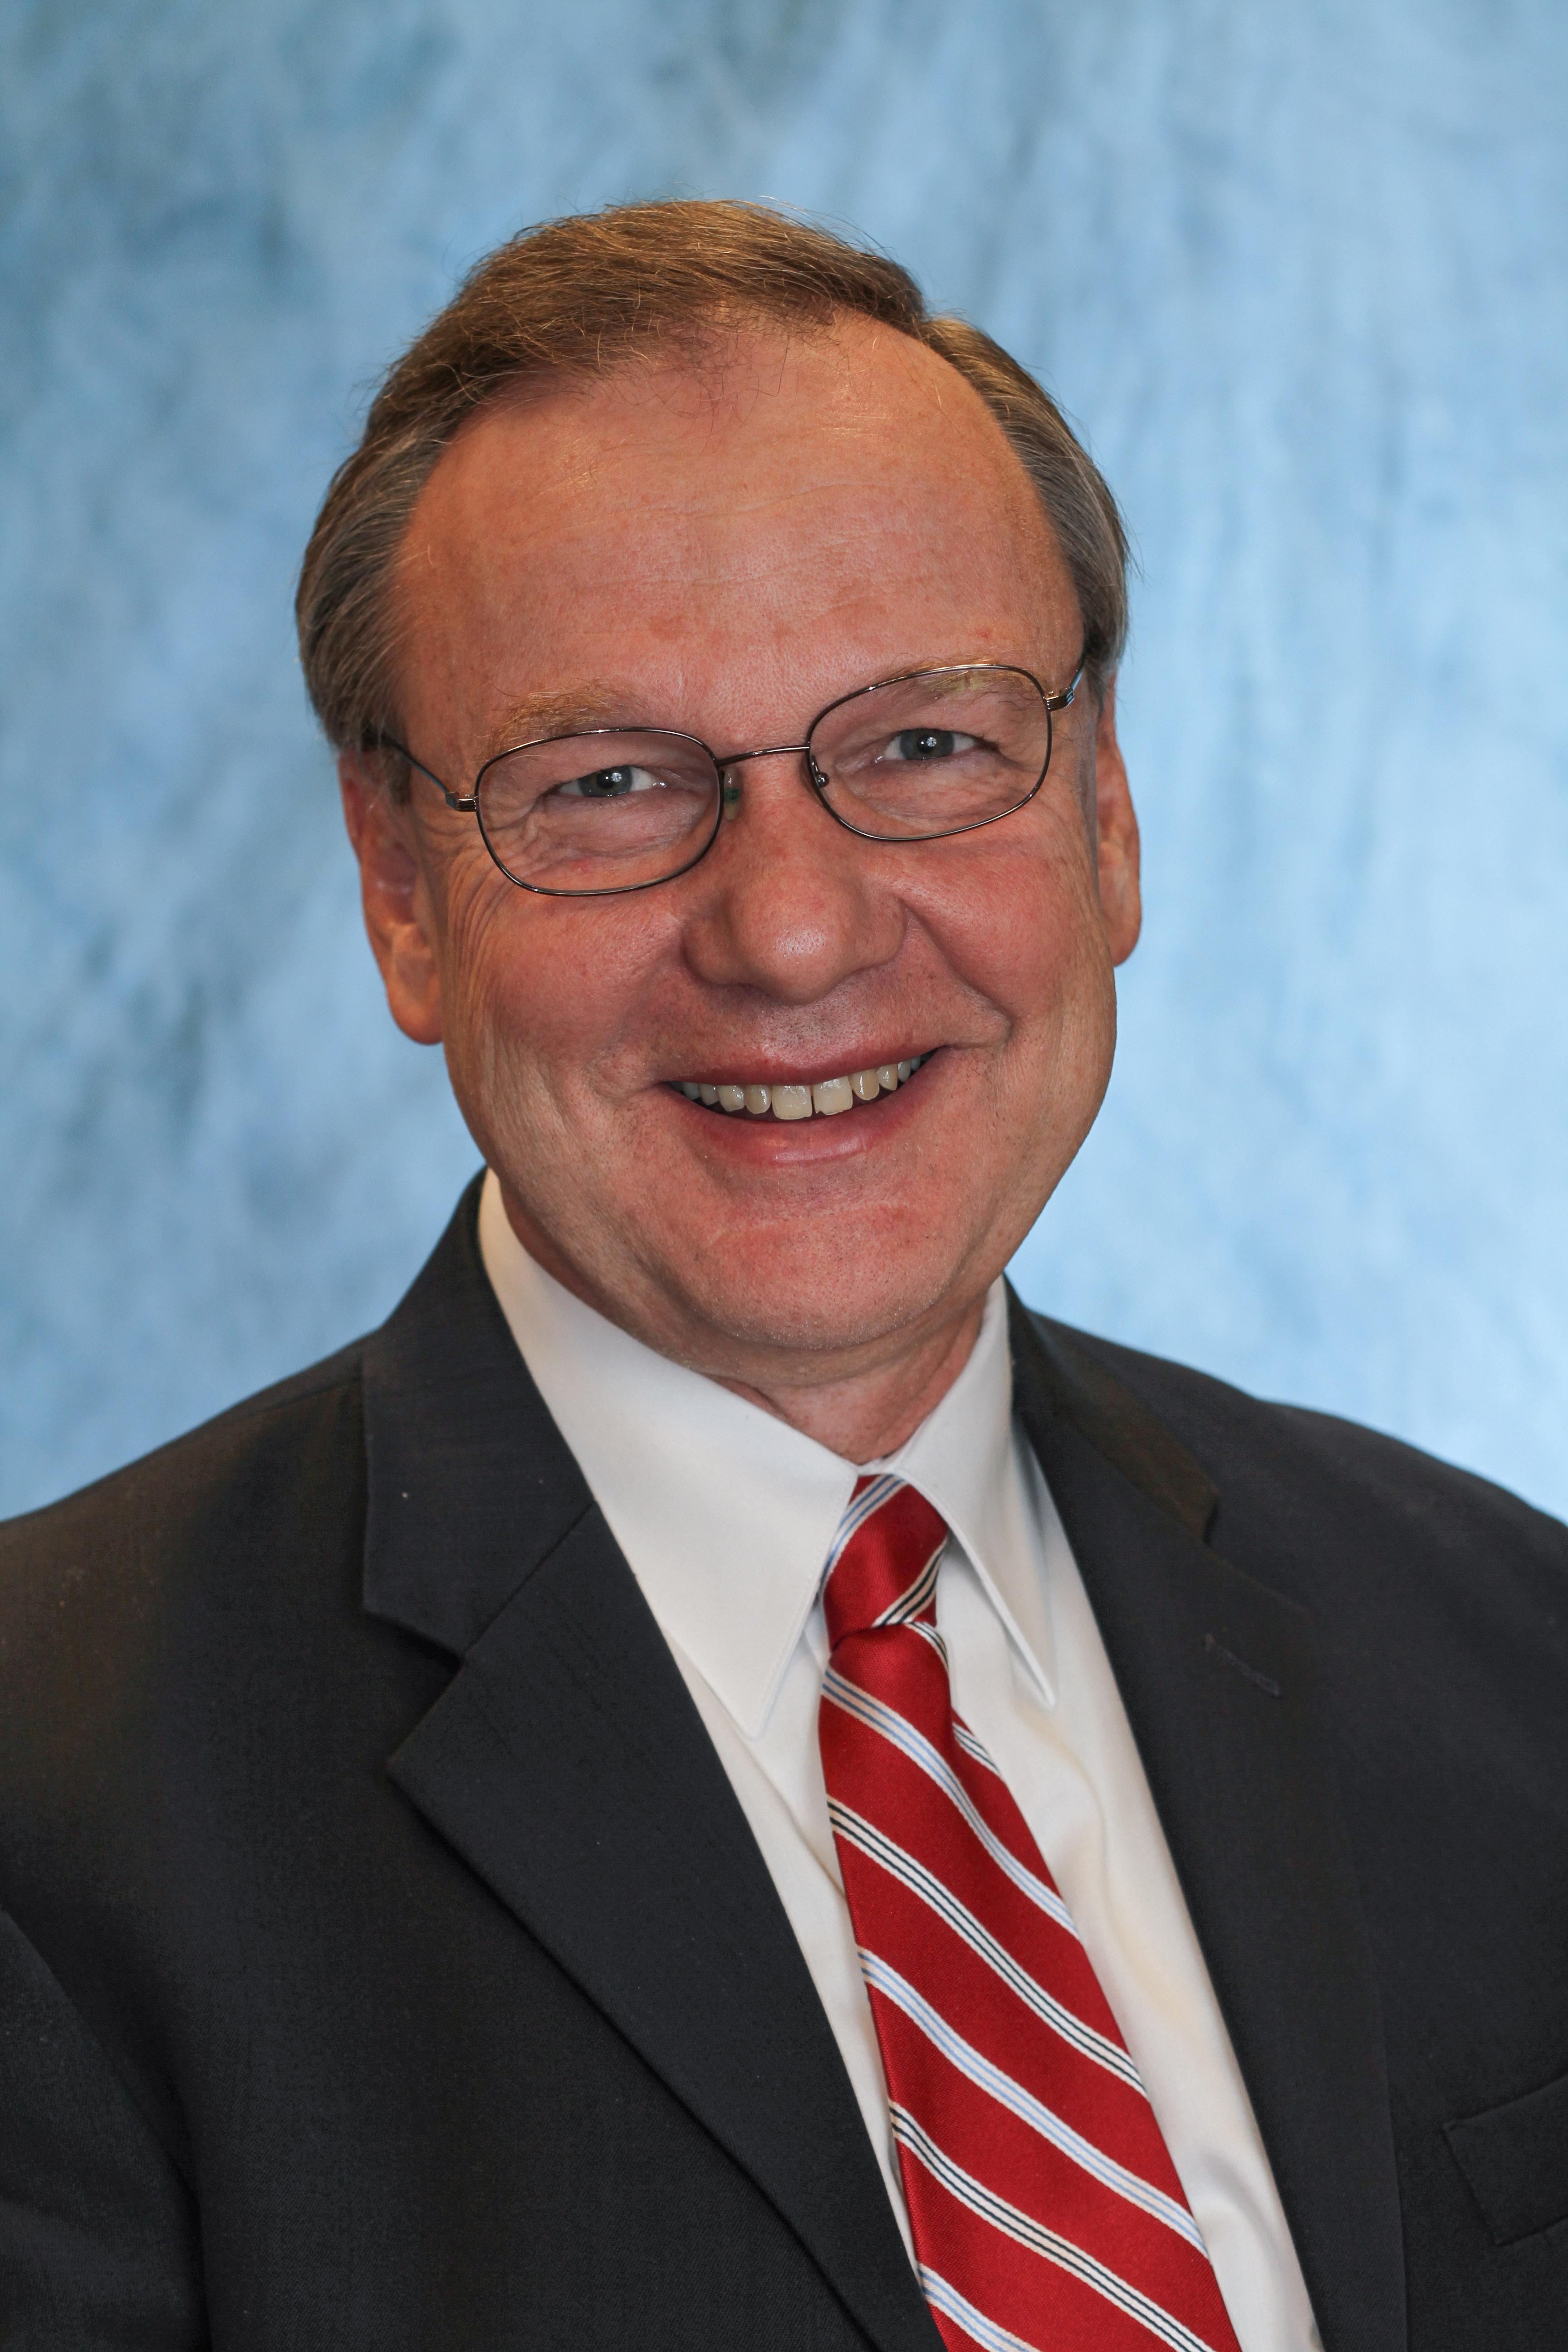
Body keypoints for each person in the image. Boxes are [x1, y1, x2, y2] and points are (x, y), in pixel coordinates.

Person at [0, 202, 1562, 2352]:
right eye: (608, 785)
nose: (795, 933)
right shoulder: (52, 1806)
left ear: (1106, 812)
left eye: (925, 744)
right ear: (400, 893)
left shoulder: (1516, 1662)